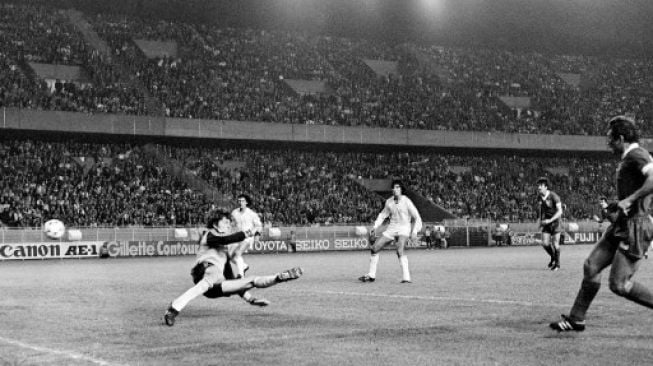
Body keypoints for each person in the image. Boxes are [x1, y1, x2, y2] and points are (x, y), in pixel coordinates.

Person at [550, 115, 653, 332]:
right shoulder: (629, 158)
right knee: (591, 266)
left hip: (635, 227)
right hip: (621, 224)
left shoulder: (638, 155)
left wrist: (631, 200)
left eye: (610, 139)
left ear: (621, 138)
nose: (607, 143)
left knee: (619, 285)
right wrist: (620, 203)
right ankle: (576, 318)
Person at [163, 211, 303, 326]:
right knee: (207, 281)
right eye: (225, 222)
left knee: (251, 281)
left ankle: (279, 277)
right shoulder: (209, 234)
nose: (228, 225)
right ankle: (173, 310)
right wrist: (248, 233)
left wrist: (251, 300)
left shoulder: (225, 255)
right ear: (215, 224)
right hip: (206, 271)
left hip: (216, 286)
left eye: (229, 223)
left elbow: (231, 280)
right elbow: (225, 239)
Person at [359, 179, 423, 283]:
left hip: (404, 228)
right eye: (394, 187)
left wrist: (414, 231)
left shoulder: (406, 201)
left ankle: (406, 277)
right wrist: (375, 227)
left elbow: (417, 217)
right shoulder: (389, 202)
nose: (395, 189)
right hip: (392, 228)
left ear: (401, 189)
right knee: (375, 248)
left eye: (398, 187)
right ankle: (371, 275)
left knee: (399, 249)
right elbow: (382, 215)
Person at [230, 194, 263, 277]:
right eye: (239, 201)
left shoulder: (251, 214)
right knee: (230, 256)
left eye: (242, 201)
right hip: (237, 237)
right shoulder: (234, 212)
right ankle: (244, 266)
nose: (240, 202)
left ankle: (240, 275)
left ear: (247, 202)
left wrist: (257, 235)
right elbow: (231, 223)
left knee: (238, 253)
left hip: (248, 237)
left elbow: (259, 225)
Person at [536, 177, 563, 271]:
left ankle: (558, 264)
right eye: (538, 185)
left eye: (541, 185)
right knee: (545, 243)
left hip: (555, 222)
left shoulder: (554, 196)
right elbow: (541, 210)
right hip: (546, 222)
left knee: (555, 244)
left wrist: (550, 220)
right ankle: (553, 257)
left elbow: (560, 212)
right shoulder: (539, 197)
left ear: (546, 187)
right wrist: (540, 221)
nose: (539, 187)